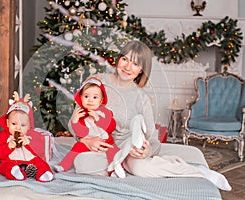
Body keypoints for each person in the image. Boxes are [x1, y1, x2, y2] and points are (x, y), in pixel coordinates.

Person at [69, 40, 232, 191]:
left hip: (128, 146)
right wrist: (84, 140)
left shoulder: (141, 97)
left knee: (140, 168)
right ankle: (119, 165)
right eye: (125, 59)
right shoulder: (97, 82)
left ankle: (197, 170)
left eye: (135, 64)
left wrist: (147, 151)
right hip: (102, 147)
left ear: (142, 70)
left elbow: (153, 138)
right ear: (118, 60)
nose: (128, 67)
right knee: (82, 164)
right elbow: (75, 121)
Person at [55, 77, 125, 178]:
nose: (90, 100)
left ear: (101, 101)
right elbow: (81, 133)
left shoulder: (106, 112)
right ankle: (63, 165)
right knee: (77, 148)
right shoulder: (81, 114)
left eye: (95, 97)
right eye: (86, 96)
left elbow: (111, 127)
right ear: (81, 98)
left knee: (115, 152)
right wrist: (75, 121)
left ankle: (114, 170)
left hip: (106, 142)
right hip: (88, 142)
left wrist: (98, 119)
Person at [0, 91, 54, 182]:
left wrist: (29, 143)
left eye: (23, 125)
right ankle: (14, 172)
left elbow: (41, 151)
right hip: (12, 162)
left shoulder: (32, 136)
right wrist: (8, 146)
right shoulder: (3, 136)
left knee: (41, 163)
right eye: (14, 124)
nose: (18, 128)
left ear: (29, 126)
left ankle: (44, 173)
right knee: (3, 167)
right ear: (7, 123)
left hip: (31, 161)